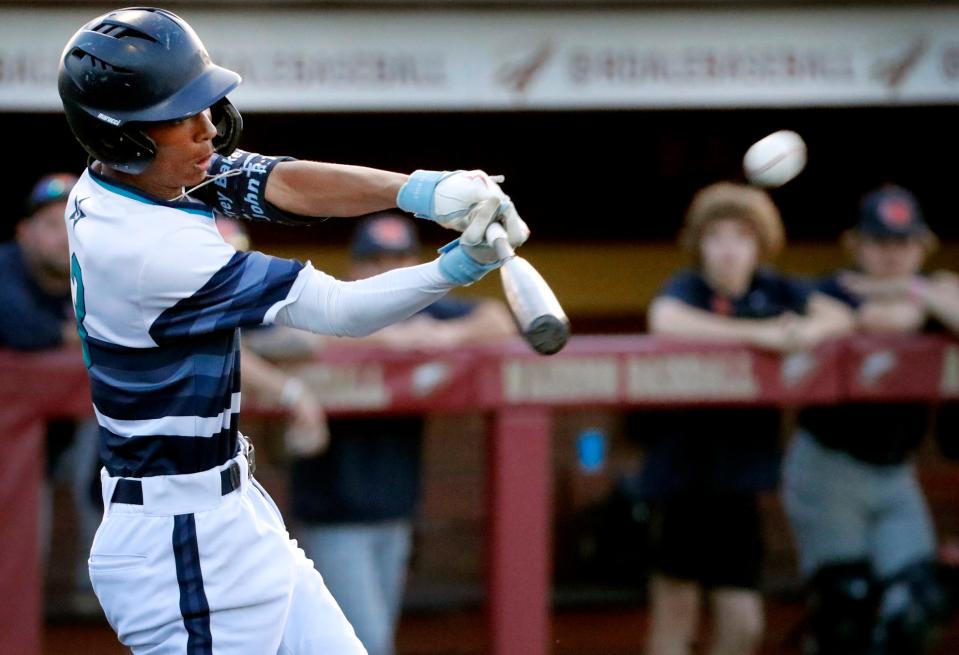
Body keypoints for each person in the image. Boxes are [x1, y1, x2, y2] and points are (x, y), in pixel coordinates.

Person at [57, 7, 527, 654]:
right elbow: (338, 311)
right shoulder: (146, 249)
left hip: (231, 510)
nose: (205, 129)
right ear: (121, 138)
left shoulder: (141, 178)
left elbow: (280, 181)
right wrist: (458, 265)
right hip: (176, 543)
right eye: (178, 115)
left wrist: (421, 189)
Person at [270, 212, 514, 655]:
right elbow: (276, 333)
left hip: (396, 512)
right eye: (376, 260)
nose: (389, 271)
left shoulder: (420, 308)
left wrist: (441, 334)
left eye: (400, 258)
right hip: (334, 514)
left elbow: (499, 320)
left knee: (364, 640)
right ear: (355, 267)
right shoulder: (333, 302)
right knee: (362, 644)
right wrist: (386, 339)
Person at [641, 182, 852, 655]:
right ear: (700, 243)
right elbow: (666, 319)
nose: (728, 249)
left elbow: (837, 315)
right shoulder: (687, 288)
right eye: (716, 237)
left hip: (740, 481)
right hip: (679, 476)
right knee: (676, 612)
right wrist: (761, 335)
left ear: (761, 243)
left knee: (743, 622)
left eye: (741, 236)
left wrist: (805, 331)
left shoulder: (776, 287)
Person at [781, 185, 959, 655]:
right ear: (856, 244)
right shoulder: (829, 287)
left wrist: (913, 288)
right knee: (846, 614)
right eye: (880, 243)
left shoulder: (934, 290)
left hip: (895, 473)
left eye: (903, 243)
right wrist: (902, 302)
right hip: (828, 469)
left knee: (916, 610)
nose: (892, 255)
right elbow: (876, 318)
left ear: (922, 245)